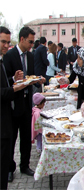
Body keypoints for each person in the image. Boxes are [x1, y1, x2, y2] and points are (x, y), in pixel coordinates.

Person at [3, 26, 46, 182]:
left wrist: (37, 79)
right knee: (12, 138)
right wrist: (14, 79)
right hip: (14, 104)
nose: (31, 45)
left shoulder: (31, 55)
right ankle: (9, 168)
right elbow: (6, 81)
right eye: (30, 41)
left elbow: (30, 76)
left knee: (26, 137)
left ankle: (25, 165)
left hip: (27, 104)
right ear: (21, 39)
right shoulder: (9, 55)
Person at [0, 26, 27, 190]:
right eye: (3, 41)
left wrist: (13, 80)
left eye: (8, 42)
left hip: (7, 122)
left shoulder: (2, 60)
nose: (6, 45)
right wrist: (14, 89)